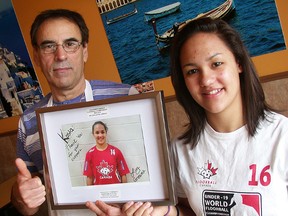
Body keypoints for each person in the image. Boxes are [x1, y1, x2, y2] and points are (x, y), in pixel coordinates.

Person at [88, 17, 288, 215]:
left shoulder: (282, 136)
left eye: (216, 63)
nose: (206, 80)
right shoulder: (180, 150)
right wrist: (162, 212)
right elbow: (189, 210)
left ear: (238, 63)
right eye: (192, 71)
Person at [10, 9, 138, 216]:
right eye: (49, 46)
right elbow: (26, 203)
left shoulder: (127, 97)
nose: (60, 55)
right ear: (36, 56)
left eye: (70, 44)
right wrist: (22, 197)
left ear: (84, 50)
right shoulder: (28, 121)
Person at [83, 121, 130, 185]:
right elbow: (89, 178)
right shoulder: (89, 154)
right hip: (98, 192)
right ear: (93, 134)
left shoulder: (116, 151)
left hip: (115, 192)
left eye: (102, 132)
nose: (100, 135)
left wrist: (124, 191)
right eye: (97, 133)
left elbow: (123, 174)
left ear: (106, 133)